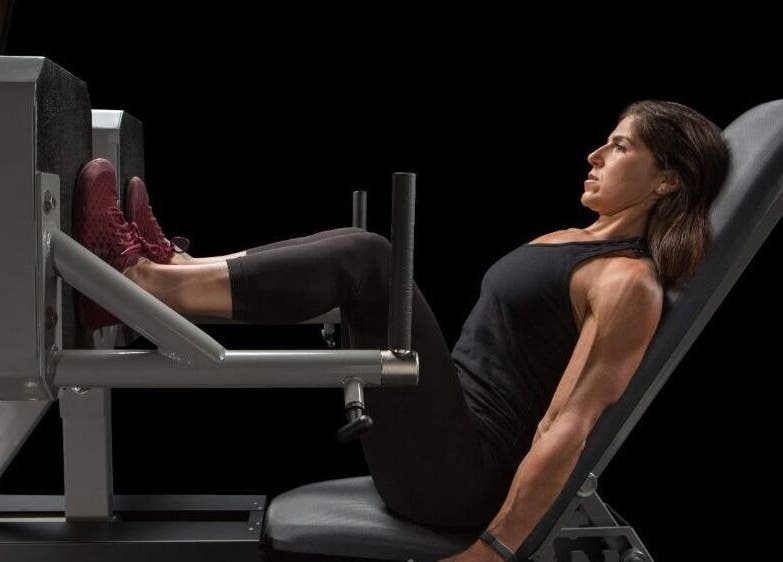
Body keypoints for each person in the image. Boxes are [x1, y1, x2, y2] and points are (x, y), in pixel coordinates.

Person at [73, 99, 729, 561]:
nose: (592, 153)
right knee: (357, 249)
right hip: (450, 432)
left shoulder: (626, 284)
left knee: (367, 258)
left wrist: (490, 552)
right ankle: (176, 271)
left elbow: (568, 428)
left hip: (460, 479)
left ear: (666, 178)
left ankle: (148, 286)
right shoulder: (581, 242)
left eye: (619, 146)